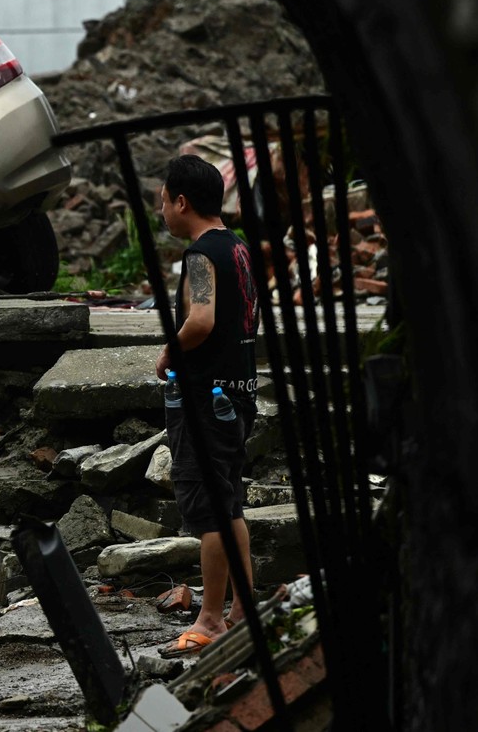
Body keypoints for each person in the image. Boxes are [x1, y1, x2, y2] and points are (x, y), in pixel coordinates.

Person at [153, 154, 260, 656]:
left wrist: (168, 352)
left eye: (163, 202)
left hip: (204, 400)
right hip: (237, 395)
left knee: (211, 511)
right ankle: (243, 608)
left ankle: (211, 618)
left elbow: (201, 319)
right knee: (229, 501)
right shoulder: (237, 248)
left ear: (181, 201)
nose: (162, 213)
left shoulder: (199, 256)